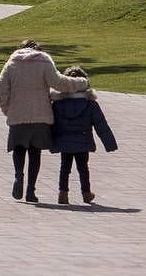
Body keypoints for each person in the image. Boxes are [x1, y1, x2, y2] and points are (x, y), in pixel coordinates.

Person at [0, 39, 89, 202]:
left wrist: (7, 110)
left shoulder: (11, 64)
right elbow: (59, 83)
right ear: (38, 49)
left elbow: (0, 90)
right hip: (40, 115)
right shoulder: (44, 61)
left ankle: (18, 175)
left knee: (19, 149)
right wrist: (81, 83)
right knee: (34, 153)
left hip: (18, 115)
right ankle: (31, 191)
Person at [51, 67, 118, 205]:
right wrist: (110, 144)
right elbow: (101, 125)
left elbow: (52, 124)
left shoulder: (58, 104)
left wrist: (50, 142)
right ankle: (86, 194)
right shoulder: (90, 104)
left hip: (64, 141)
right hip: (83, 141)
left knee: (65, 168)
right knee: (83, 168)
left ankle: (63, 194)